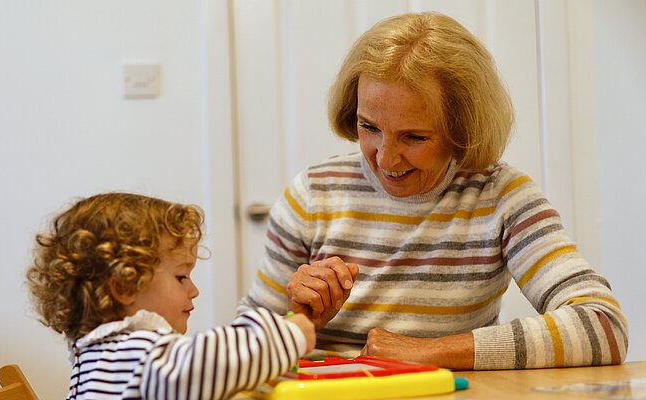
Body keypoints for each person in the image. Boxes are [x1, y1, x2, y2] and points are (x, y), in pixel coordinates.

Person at [238, 12, 628, 370]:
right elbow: (237, 350)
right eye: (369, 127)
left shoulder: (502, 197)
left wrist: (426, 352)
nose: (386, 158)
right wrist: (296, 324)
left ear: (462, 131)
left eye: (414, 136)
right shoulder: (312, 195)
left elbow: (603, 326)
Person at [27, 193, 315, 400]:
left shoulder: (96, 357)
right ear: (124, 287)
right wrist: (287, 333)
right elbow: (208, 363)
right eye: (181, 277)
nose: (194, 290)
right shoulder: (135, 355)